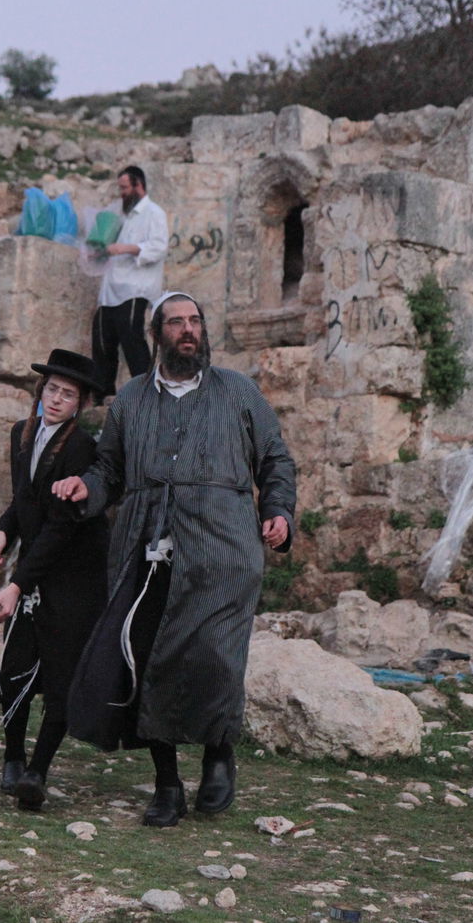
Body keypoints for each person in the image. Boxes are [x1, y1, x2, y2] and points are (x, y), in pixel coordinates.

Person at [54, 291, 296, 826]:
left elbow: (275, 458)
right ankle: (166, 784)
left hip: (223, 551)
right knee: (145, 658)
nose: (188, 330)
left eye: (195, 321)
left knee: (214, 658)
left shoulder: (240, 393)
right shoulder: (130, 400)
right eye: (176, 322)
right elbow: (109, 473)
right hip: (146, 548)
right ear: (156, 335)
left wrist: (279, 510)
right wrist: (84, 489)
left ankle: (218, 756)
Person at [0, 349, 109, 812]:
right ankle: (13, 757)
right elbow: (24, 499)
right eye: (52, 389)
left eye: (68, 394)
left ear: (80, 403)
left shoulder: (81, 447)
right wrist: (3, 529)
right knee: (16, 664)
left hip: (75, 575)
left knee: (60, 672)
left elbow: (60, 526)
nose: (57, 399)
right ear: (41, 391)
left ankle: (38, 770)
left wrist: (17, 583)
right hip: (35, 566)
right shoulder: (23, 433)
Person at [93, 165, 169, 399]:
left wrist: (126, 248)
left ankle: (148, 393)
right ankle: (103, 395)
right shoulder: (121, 214)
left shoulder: (154, 213)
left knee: (132, 342)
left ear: (139, 185)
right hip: (110, 289)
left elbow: (159, 247)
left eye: (125, 188)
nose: (122, 193)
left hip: (135, 288)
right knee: (102, 340)